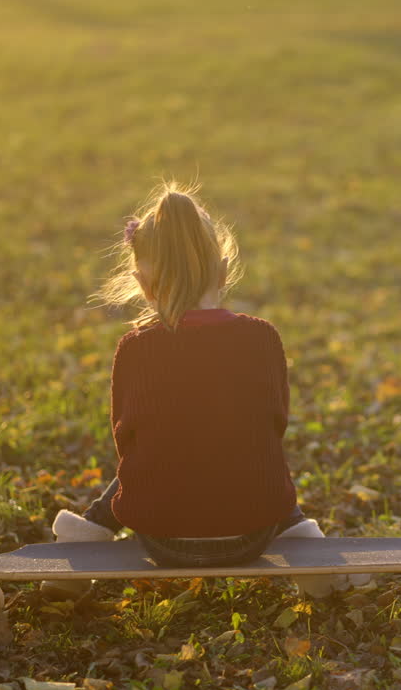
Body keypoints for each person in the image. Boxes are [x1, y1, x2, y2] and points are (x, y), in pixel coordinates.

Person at [46, 182, 347, 597]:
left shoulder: (136, 349)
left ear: (143, 283)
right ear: (223, 271)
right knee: (249, 448)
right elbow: (274, 423)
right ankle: (303, 537)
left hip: (162, 536)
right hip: (253, 531)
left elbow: (127, 441)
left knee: (158, 449)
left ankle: (92, 530)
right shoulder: (262, 338)